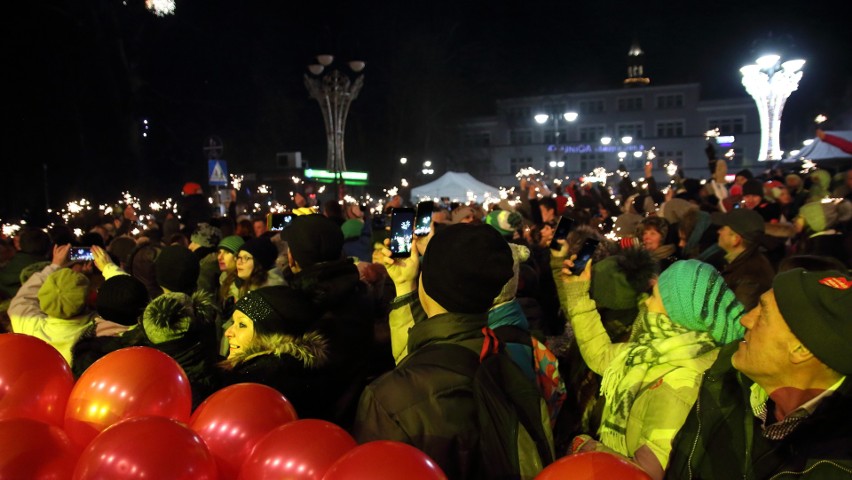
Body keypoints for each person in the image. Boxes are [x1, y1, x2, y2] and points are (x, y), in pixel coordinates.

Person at [354, 223, 554, 479]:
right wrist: (404, 287)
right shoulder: (504, 358)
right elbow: (424, 360)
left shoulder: (389, 399)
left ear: (430, 282)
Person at [555, 258, 744, 480]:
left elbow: (647, 473)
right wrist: (578, 293)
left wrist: (588, 449)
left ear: (677, 315)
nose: (646, 303)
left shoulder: (680, 382)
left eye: (654, 296)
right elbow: (602, 355)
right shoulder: (656, 350)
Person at [666, 268, 852, 479]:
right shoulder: (727, 376)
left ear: (801, 350)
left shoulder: (839, 461)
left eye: (762, 313)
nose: (745, 320)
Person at [218, 286, 335, 419]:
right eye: (233, 322)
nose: (228, 332)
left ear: (269, 333)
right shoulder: (288, 370)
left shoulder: (261, 380)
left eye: (242, 325)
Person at [8, 244, 94, 364]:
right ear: (88, 299)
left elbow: (24, 296)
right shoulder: (98, 332)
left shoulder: (28, 324)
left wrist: (55, 265)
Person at [711, 208, 775, 310]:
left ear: (735, 239)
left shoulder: (751, 279)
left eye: (723, 228)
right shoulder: (741, 263)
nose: (719, 231)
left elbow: (739, 319)